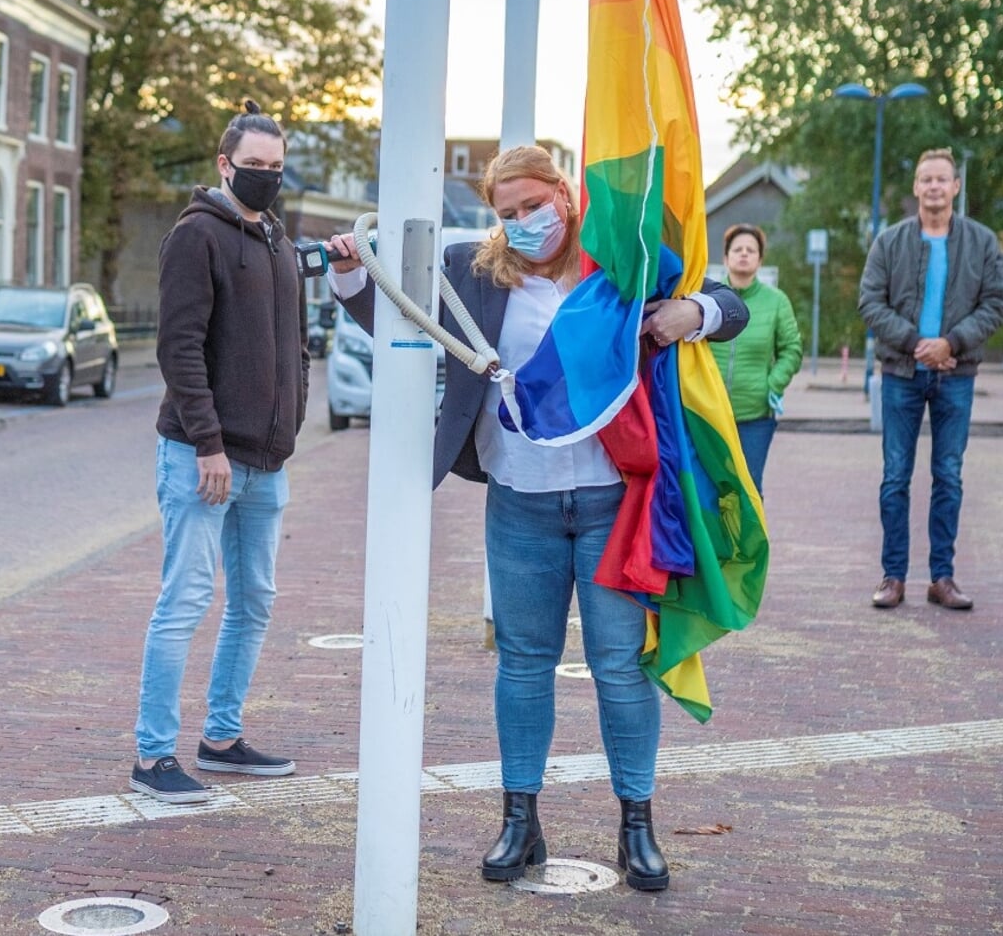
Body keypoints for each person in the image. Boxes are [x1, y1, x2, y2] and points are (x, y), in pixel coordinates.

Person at [327, 145, 748, 892]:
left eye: (532, 205)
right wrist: (347, 270)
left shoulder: (616, 262)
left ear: (563, 192)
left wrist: (693, 310)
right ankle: (519, 820)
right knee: (523, 661)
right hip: (518, 499)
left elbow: (728, 307)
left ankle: (636, 825)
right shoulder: (473, 269)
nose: (522, 222)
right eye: (507, 212)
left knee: (621, 666)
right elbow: (392, 309)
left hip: (610, 501)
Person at [130, 101, 308, 804]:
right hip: (203, 458)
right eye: (252, 165)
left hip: (267, 459)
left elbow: (290, 338)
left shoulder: (276, 238)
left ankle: (223, 737)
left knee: (255, 599)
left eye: (274, 166)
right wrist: (207, 443)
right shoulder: (196, 235)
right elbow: (178, 347)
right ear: (223, 164)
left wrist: (288, 423)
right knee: (186, 598)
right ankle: (152, 755)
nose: (264, 176)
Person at [858, 148, 1003, 611]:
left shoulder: (982, 242)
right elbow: (870, 302)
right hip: (902, 374)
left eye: (942, 179)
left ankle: (942, 578)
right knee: (895, 478)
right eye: (926, 179)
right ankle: (893, 576)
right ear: (916, 187)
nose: (934, 187)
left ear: (956, 186)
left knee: (948, 476)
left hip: (956, 376)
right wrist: (916, 343)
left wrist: (952, 343)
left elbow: (997, 302)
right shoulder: (889, 242)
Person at [708, 224, 802, 490]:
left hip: (755, 418)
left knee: (748, 489)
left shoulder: (777, 301)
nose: (744, 254)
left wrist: (772, 385)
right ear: (725, 258)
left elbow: (791, 349)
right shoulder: (706, 299)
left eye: (751, 250)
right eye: (737, 249)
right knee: (711, 490)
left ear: (760, 260)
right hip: (709, 413)